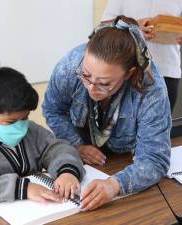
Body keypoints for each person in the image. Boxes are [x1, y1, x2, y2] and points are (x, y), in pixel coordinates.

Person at [42, 16, 171, 211]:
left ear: (129, 74)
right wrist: (76, 145)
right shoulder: (70, 65)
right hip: (80, 158)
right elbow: (53, 109)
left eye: (104, 83)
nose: (91, 88)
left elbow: (154, 159)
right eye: (85, 76)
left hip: (124, 160)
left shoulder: (151, 89)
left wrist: (114, 185)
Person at [0, 66, 85, 206]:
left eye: (25, 118)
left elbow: (58, 149)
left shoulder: (32, 131)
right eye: (10, 122)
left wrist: (67, 171)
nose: (20, 126)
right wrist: (22, 188)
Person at [101, 0, 182, 112]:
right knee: (124, 124)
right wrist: (133, 25)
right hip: (127, 70)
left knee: (161, 125)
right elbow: (104, 26)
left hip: (167, 71)